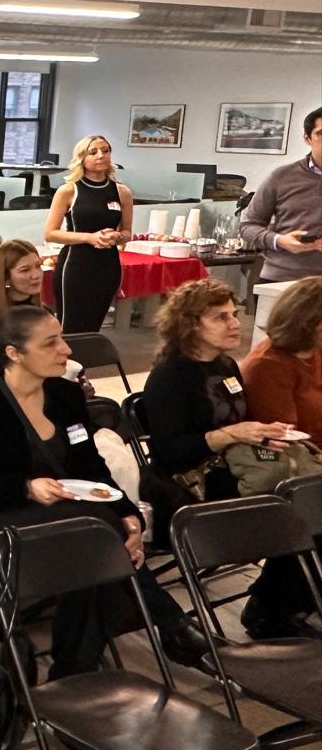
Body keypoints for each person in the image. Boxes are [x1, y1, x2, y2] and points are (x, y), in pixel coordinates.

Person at [0, 307, 209, 678]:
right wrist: (25, 487)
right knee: (95, 534)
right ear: (14, 353)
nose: (65, 350)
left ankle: (75, 671)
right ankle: (169, 624)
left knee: (95, 554)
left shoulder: (65, 395)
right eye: (51, 343)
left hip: (67, 518)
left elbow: (91, 469)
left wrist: (127, 514)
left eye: (61, 338)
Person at [141, 279, 318, 637]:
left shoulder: (225, 366)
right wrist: (229, 436)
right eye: (221, 317)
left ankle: (279, 602)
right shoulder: (169, 377)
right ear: (191, 325)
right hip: (187, 484)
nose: (236, 323)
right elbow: (168, 453)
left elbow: (241, 430)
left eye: (235, 314)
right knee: (304, 509)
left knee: (310, 504)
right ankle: (271, 608)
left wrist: (261, 433)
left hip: (232, 468)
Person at [45, 135, 132, 333]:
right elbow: (50, 233)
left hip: (108, 265)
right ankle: (66, 363)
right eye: (93, 152)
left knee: (94, 324)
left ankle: (85, 363)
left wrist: (117, 237)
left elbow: (127, 232)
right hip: (76, 264)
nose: (101, 155)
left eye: (105, 150)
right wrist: (90, 237)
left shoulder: (122, 192)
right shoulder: (68, 191)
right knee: (71, 325)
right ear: (82, 158)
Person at [239, 105, 322, 282]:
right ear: (307, 139)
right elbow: (248, 226)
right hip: (282, 279)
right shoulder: (281, 177)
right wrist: (279, 240)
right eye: (321, 134)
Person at [242, 275, 322, 439]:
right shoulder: (268, 366)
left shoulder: (314, 348)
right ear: (308, 322)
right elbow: (287, 436)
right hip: (302, 454)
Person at [0, 239, 49, 317]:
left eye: (38, 266)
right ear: (6, 277)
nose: (36, 275)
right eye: (25, 270)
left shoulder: (43, 310)